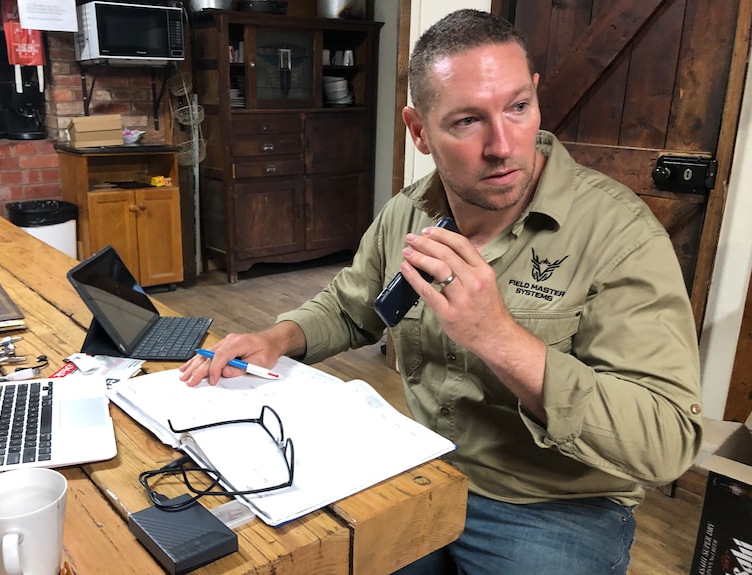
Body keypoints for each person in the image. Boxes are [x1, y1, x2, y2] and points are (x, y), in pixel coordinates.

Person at [180, 9, 702, 575]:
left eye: (518, 107)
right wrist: (278, 336)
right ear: (419, 131)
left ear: (536, 97)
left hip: (553, 506)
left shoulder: (619, 235)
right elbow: (354, 306)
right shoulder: (409, 212)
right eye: (467, 122)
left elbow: (667, 441)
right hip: (418, 468)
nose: (503, 145)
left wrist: (497, 336)